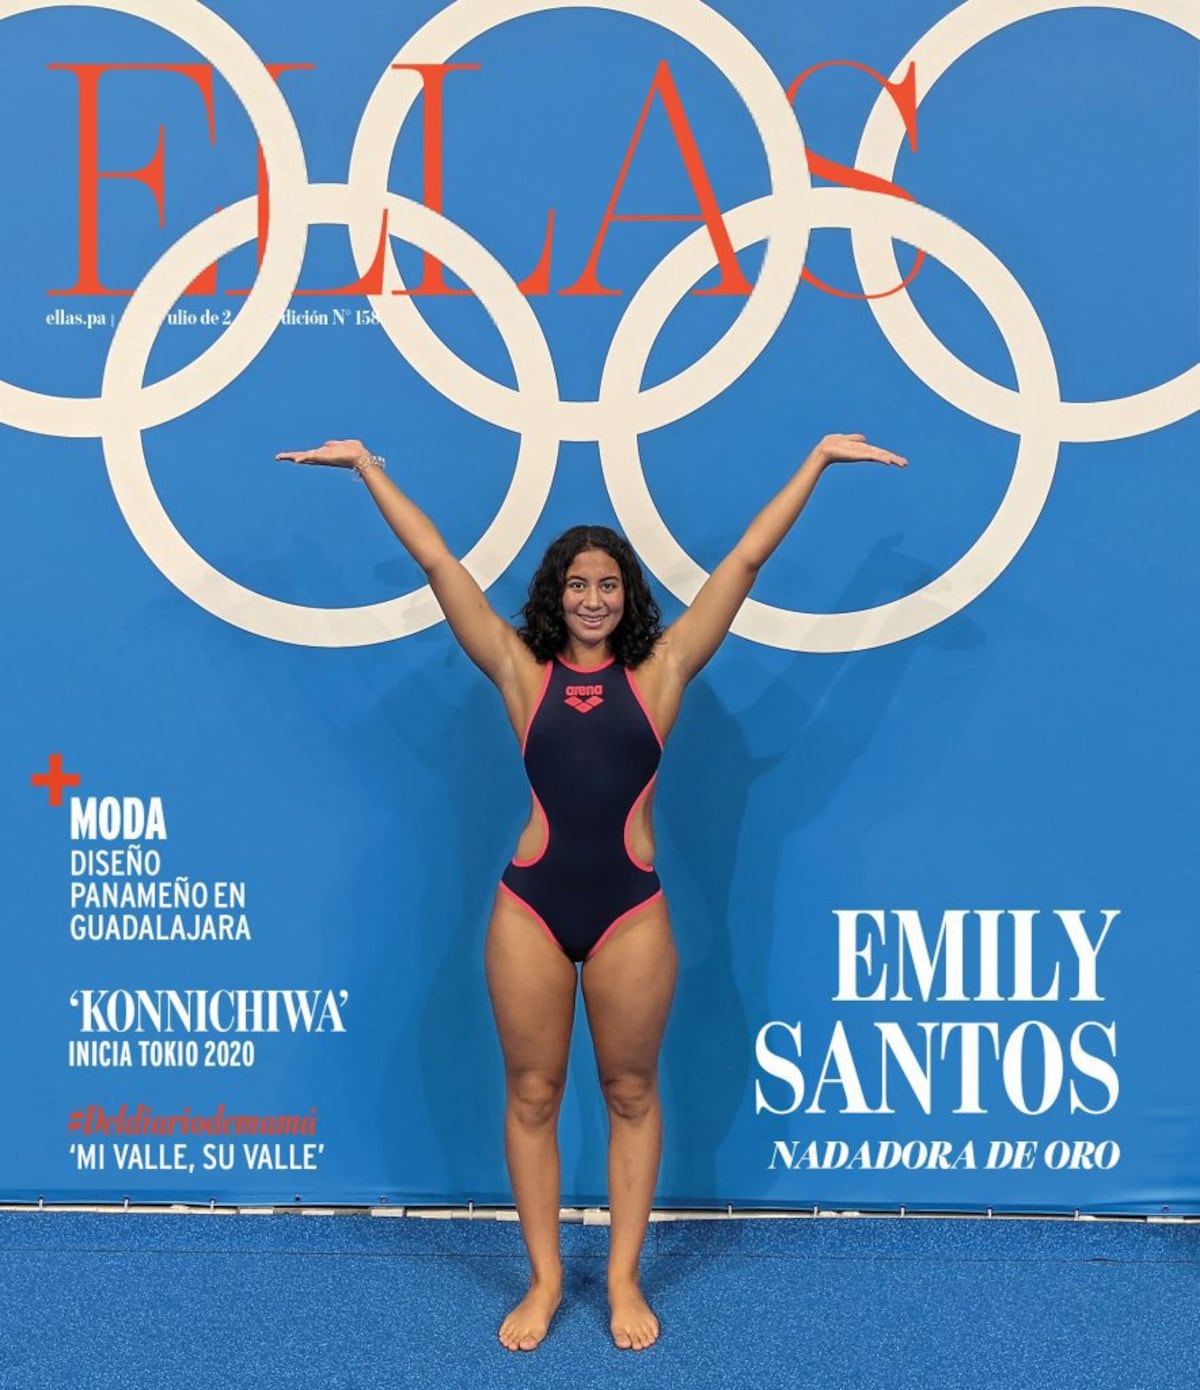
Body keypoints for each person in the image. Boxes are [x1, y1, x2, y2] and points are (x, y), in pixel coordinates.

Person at [276, 433, 907, 1352]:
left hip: (630, 911)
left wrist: (811, 460)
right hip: (530, 906)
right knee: (532, 1093)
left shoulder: (664, 673)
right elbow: (437, 562)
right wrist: (373, 467)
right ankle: (541, 1281)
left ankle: (619, 1279)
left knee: (631, 1091)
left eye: (608, 584)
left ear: (628, 597)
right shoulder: (515, 671)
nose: (593, 598)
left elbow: (746, 559)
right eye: (577, 584)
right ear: (554, 595)